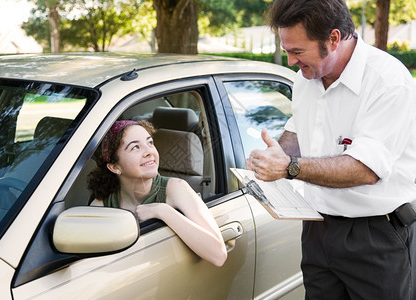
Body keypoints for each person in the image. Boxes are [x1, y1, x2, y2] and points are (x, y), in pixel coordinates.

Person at [247, 0, 416, 298]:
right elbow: (299, 129)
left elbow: (365, 170)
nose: (290, 62)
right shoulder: (306, 77)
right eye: (287, 50)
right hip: (317, 229)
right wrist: (278, 152)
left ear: (334, 39)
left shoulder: (388, 82)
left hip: (376, 236)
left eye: (297, 51)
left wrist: (290, 167)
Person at [88, 119, 227, 267]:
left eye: (150, 143)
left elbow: (218, 255)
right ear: (115, 167)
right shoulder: (102, 204)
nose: (149, 152)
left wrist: (163, 211)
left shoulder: (176, 188)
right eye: (135, 147)